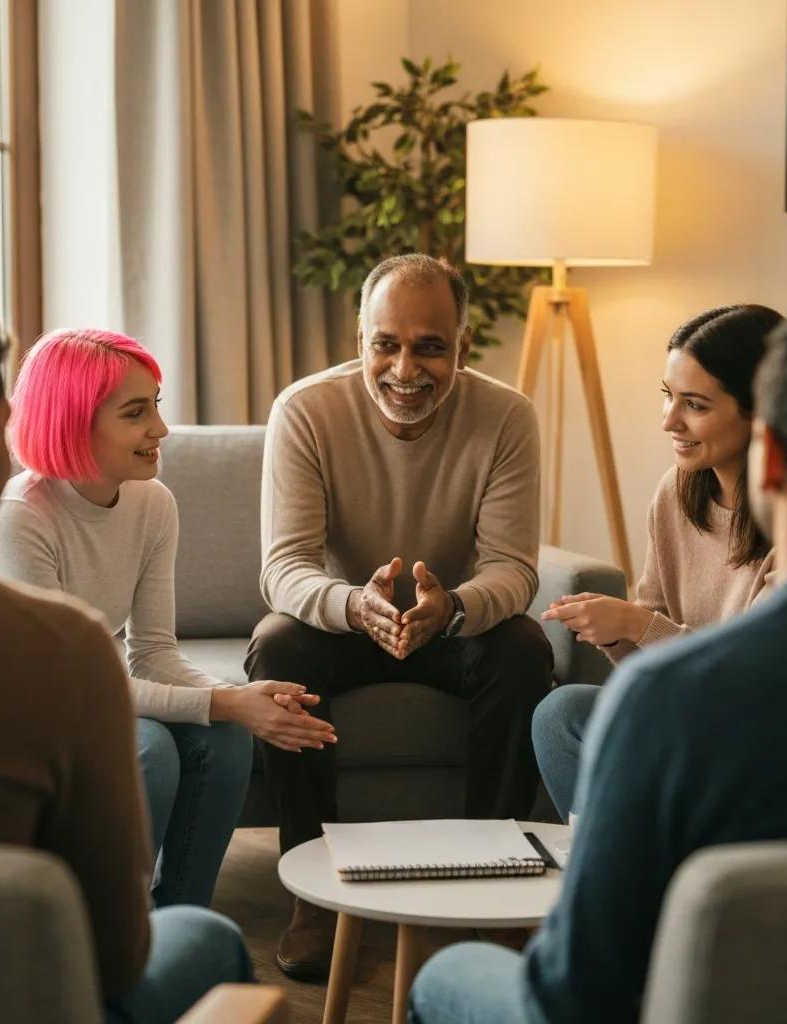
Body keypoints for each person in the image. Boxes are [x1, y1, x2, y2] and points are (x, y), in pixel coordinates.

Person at [409, 287, 787, 1023]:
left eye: (693, 403)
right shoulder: (679, 514)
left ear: (770, 458)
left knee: (446, 976)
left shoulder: (670, 701)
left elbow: (570, 1002)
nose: (671, 421)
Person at [0, 280, 251, 1024]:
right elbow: (111, 955)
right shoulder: (60, 651)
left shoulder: (137, 523)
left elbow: (157, 650)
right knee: (210, 941)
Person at [246, 253, 554, 978]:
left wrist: (455, 609)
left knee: (523, 647)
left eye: (430, 346)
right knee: (277, 645)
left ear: (464, 345)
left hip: (449, 624)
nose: (405, 368)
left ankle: (495, 882)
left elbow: (514, 566)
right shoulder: (306, 410)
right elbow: (283, 567)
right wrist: (352, 605)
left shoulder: (508, 416)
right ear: (360, 340)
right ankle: (311, 892)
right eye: (386, 343)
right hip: (348, 621)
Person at [0, 328, 335, 909]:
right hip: (30, 710)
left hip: (92, 694)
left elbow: (153, 653)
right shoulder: (20, 519)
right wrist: (228, 699)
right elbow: (73, 685)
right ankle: (113, 923)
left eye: (156, 406)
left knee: (227, 740)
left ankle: (180, 919)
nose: (160, 430)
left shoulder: (153, 504)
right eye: (135, 412)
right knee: (151, 749)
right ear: (75, 420)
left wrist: (238, 701)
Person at [534, 304, 782, 821]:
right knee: (561, 714)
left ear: (758, 409)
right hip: (683, 712)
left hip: (756, 730)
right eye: (668, 396)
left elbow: (759, 678)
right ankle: (610, 874)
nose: (669, 421)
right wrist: (614, 632)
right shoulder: (676, 494)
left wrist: (638, 623)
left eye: (694, 404)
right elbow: (651, 660)